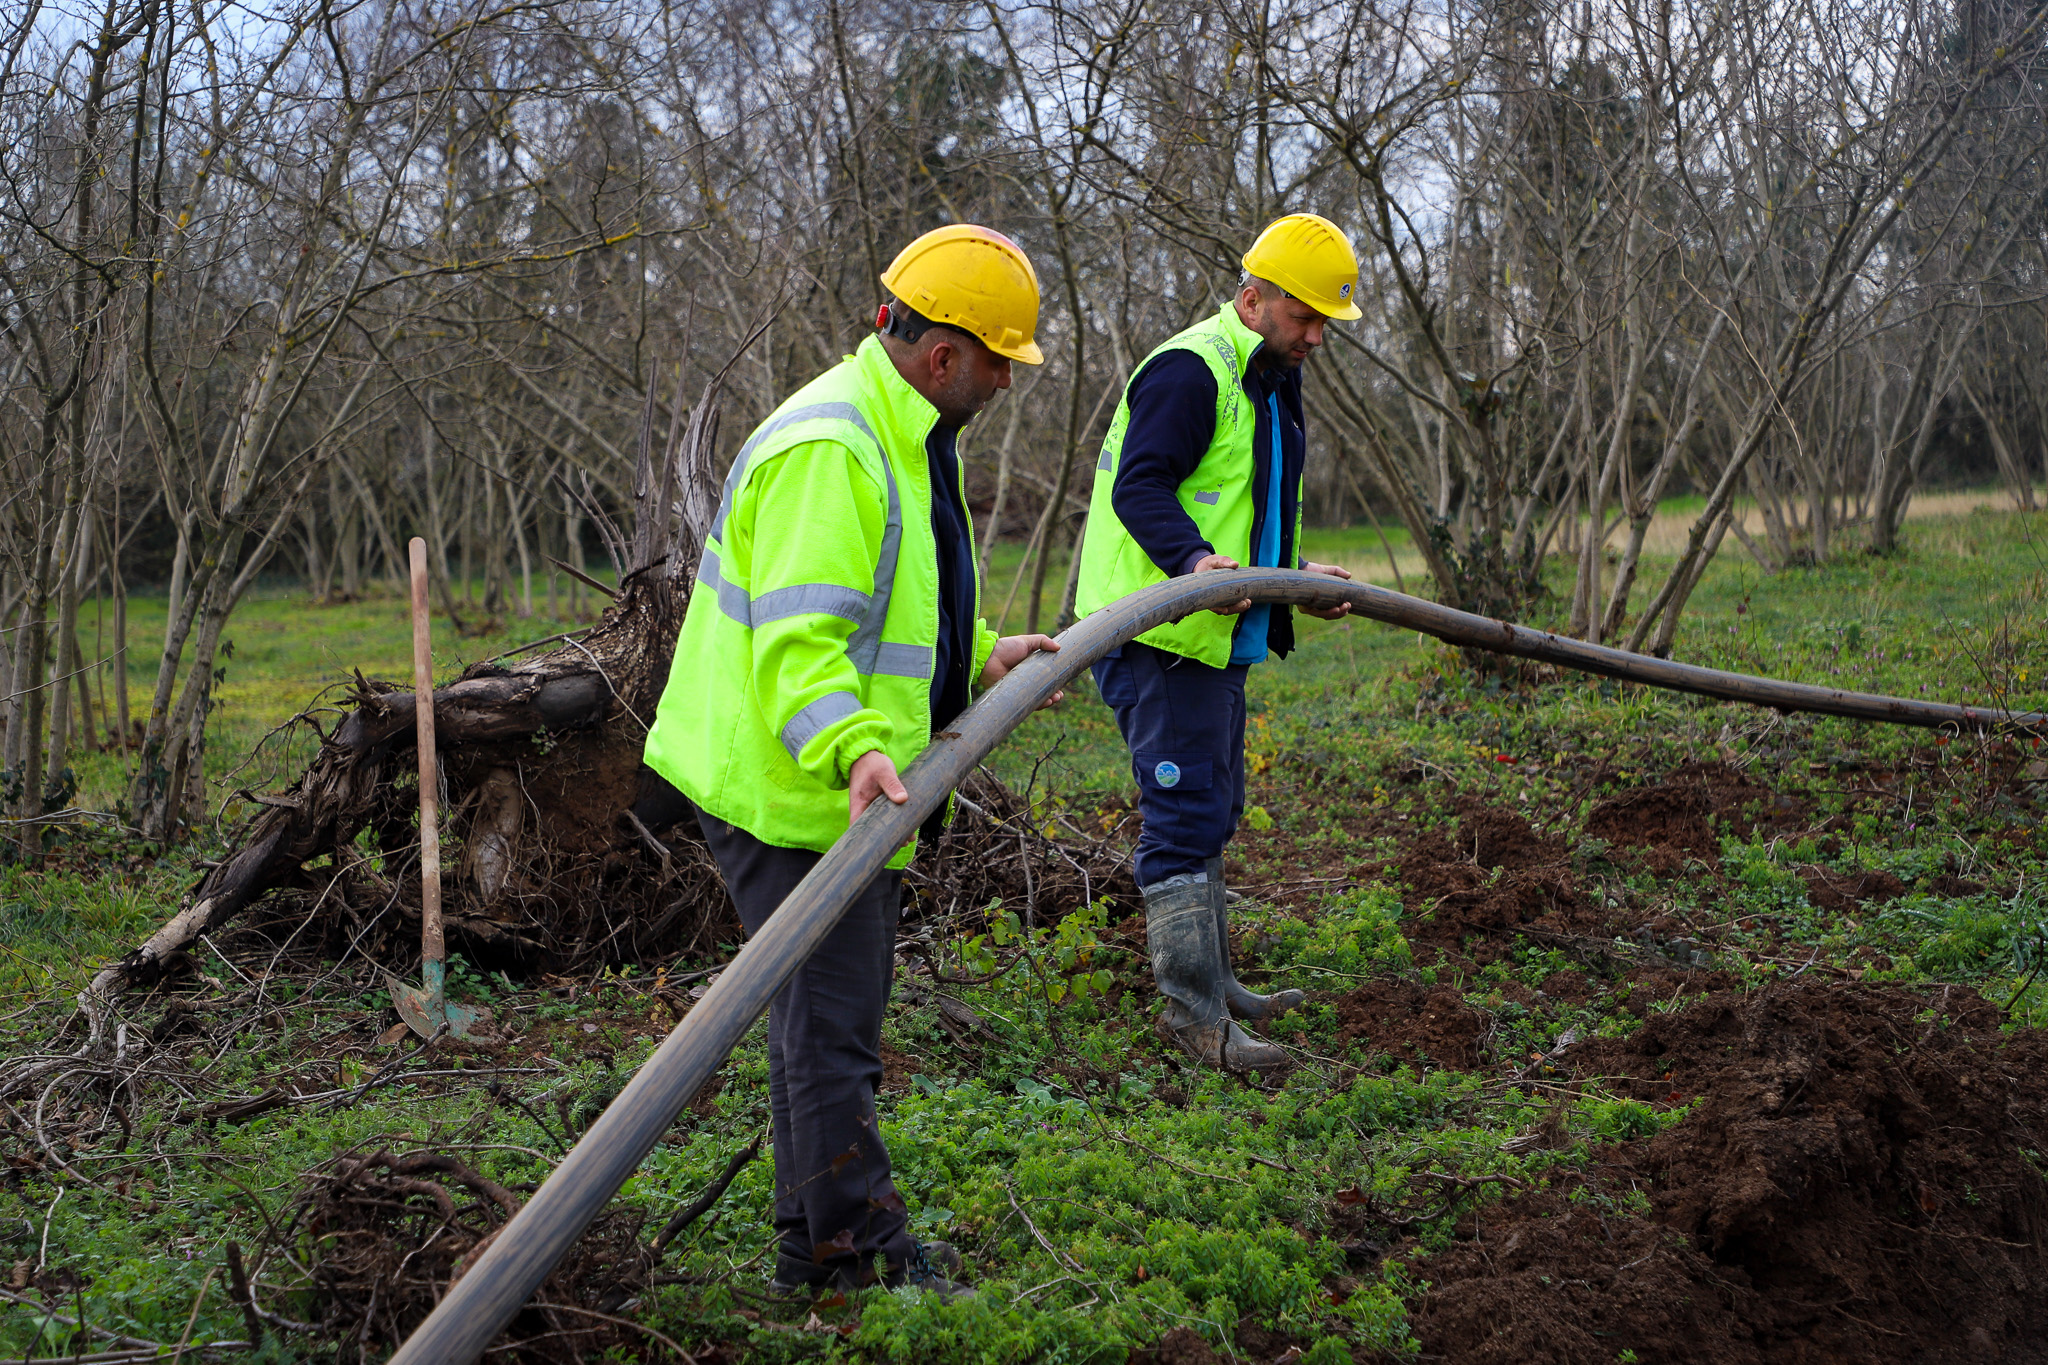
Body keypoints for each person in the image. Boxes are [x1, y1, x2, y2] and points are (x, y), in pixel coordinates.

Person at [637, 224, 1061, 1297]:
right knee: (832, 1034)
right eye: (1002, 360)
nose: (1008, 381)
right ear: (943, 356)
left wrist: (980, 652)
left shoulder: (897, 431)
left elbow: (889, 610)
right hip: (791, 789)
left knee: (810, 1025)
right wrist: (856, 750)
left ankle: (809, 1244)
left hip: (819, 779)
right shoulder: (834, 448)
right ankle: (856, 1260)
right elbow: (800, 642)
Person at [1074, 213, 1360, 1075]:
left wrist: (1295, 579)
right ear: (1253, 297)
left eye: (1324, 323)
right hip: (1160, 636)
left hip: (1214, 636)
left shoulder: (1271, 377)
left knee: (1214, 809)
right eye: (1305, 316)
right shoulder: (1191, 372)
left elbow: (1245, 500)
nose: (1316, 336)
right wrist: (1197, 565)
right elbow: (1142, 487)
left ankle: (1220, 986)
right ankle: (1196, 1025)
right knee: (1182, 815)